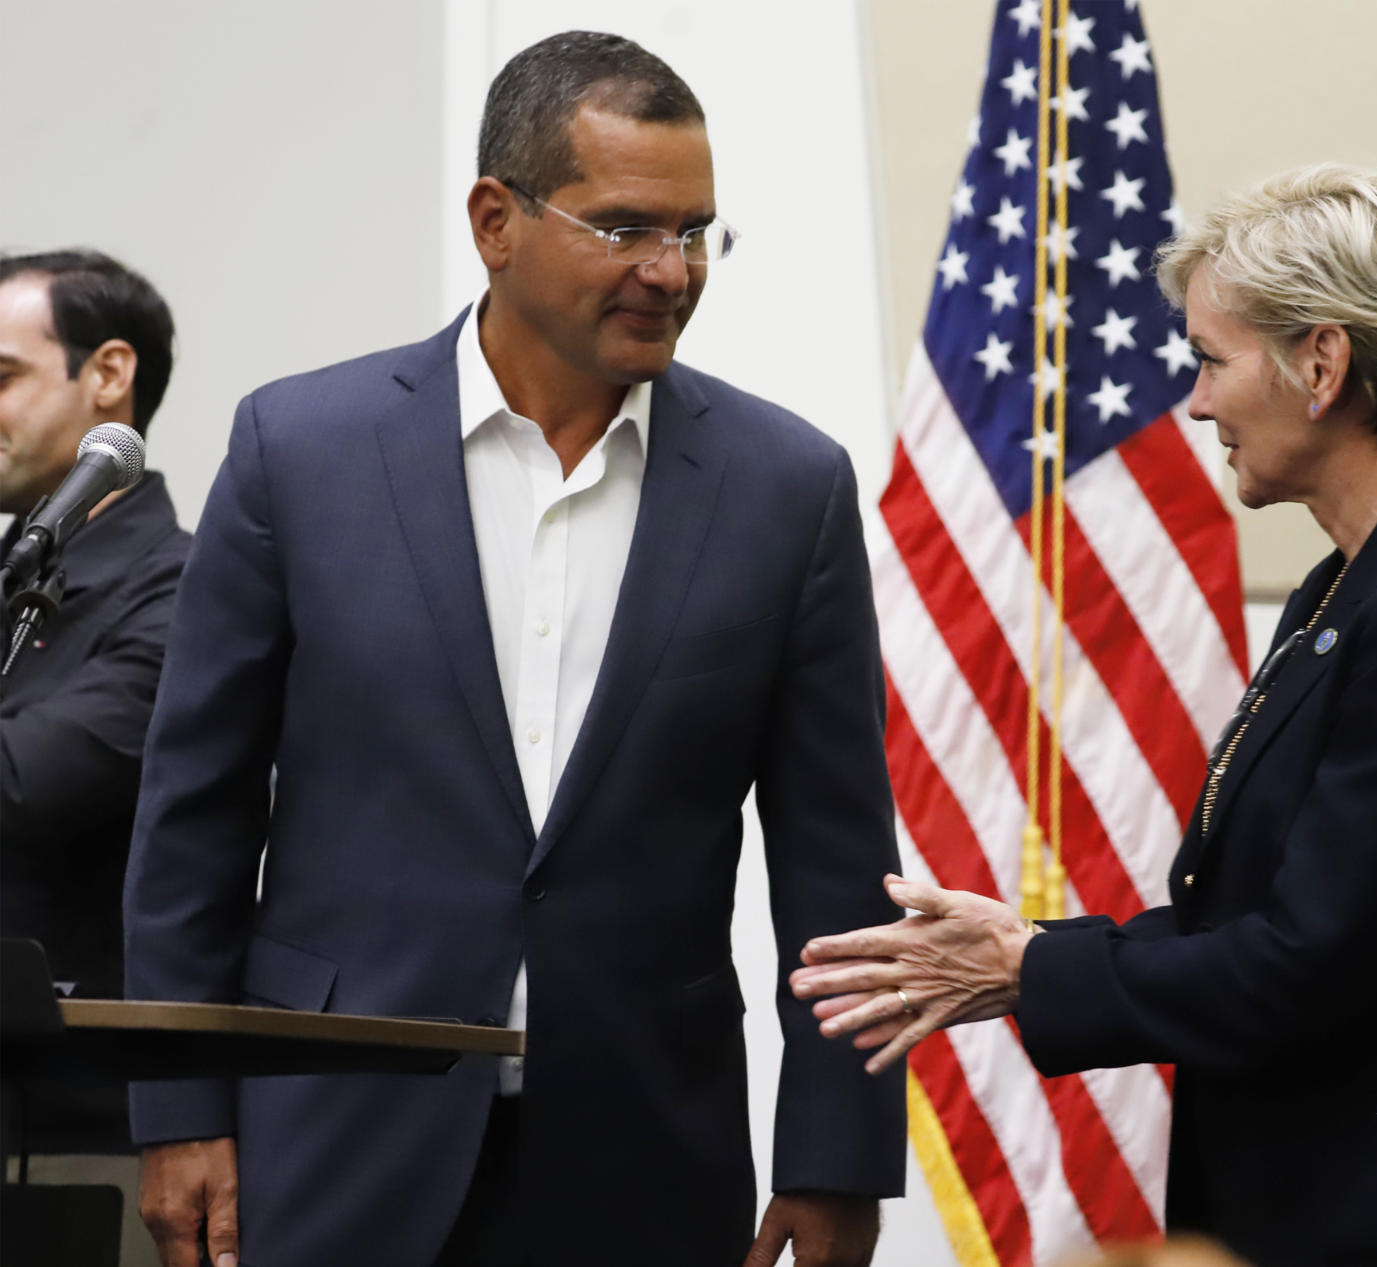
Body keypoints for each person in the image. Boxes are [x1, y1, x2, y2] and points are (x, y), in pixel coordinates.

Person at [124, 32, 903, 1267]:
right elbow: (195, 815)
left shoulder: (787, 487)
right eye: (626, 228)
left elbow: (837, 858)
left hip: (646, 1150)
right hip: (327, 1136)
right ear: (496, 219)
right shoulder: (299, 449)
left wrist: (838, 1155)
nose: (672, 269)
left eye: (698, 231)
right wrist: (176, 1114)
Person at [792, 165, 1377, 1265]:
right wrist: (1031, 949)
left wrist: (1029, 974)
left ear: (1322, 364)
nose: (1193, 403)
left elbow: (1309, 964)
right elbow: (1260, 914)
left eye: (1209, 360)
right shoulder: (1366, 579)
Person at [0, 249, 189, 1267]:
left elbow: (30, 782)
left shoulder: (185, 588)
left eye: (2, 374)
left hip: (81, 1132)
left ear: (107, 375)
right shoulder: (12, 580)